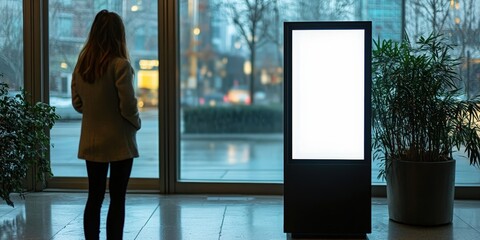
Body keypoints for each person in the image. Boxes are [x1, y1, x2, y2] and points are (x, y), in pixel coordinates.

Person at [71, 9, 141, 240]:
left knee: (95, 196)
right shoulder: (120, 65)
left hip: (92, 142)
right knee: (117, 197)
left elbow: (77, 104)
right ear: (118, 35)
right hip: (119, 141)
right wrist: (136, 123)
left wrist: (95, 111)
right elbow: (128, 105)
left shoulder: (82, 66)